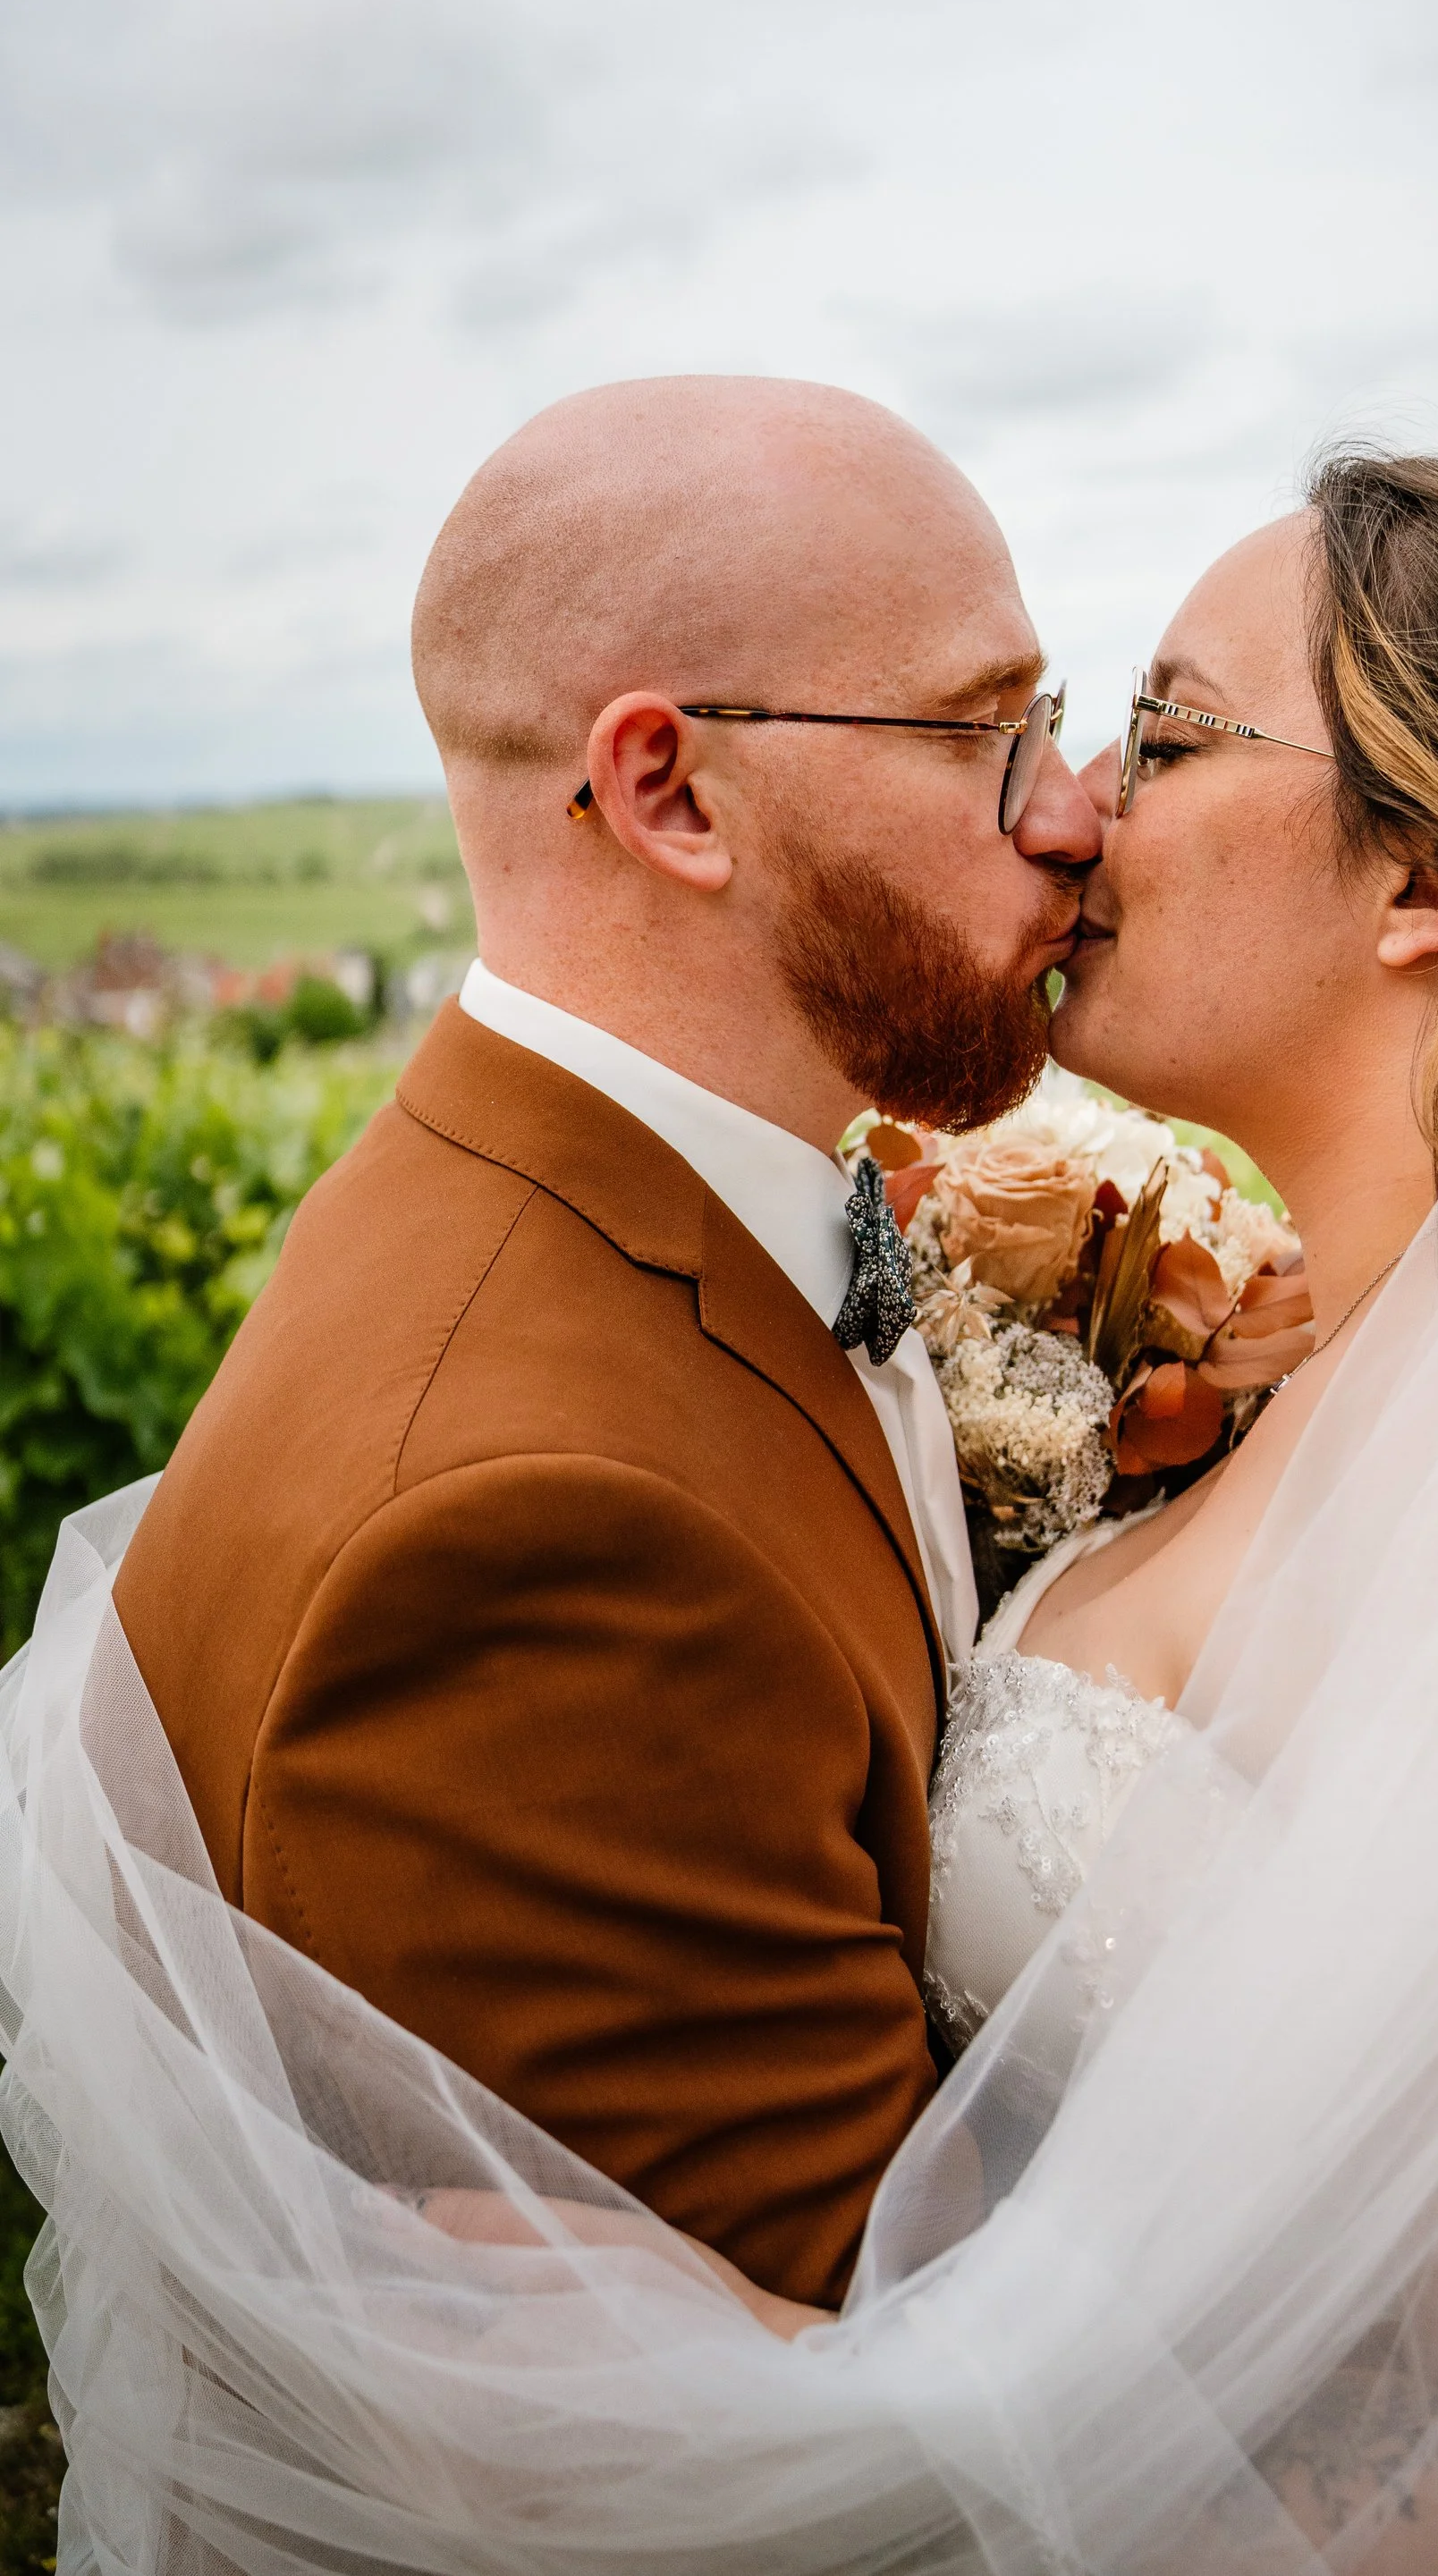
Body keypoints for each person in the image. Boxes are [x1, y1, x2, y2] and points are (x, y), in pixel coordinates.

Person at [4, 452, 1438, 2573]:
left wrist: (804, 2400)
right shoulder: (1290, 1363)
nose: (1072, 807)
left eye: (1159, 735)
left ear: (1421, 884)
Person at [106, 375, 1100, 2314]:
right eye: (983, 731)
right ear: (668, 792)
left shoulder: (591, 1187)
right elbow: (860, 2376)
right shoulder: (535, 1542)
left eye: (1044, 718)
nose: (1067, 812)